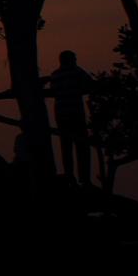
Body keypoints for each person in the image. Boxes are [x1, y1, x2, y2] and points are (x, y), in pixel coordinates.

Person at [46, 49, 93, 187]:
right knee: (82, 145)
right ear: (71, 60)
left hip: (61, 114)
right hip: (75, 113)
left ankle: (69, 175)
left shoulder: (55, 75)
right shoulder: (76, 72)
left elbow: (53, 90)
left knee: (66, 146)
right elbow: (89, 83)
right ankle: (84, 178)